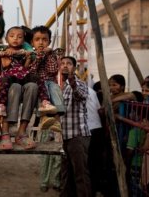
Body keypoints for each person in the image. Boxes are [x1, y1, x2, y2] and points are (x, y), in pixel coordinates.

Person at [0, 26, 38, 150]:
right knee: (15, 87)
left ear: (24, 40)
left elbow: (26, 68)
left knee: (33, 86)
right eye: (12, 36)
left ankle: (21, 133)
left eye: (19, 37)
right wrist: (5, 55)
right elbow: (5, 66)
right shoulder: (4, 50)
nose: (15, 39)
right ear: (6, 38)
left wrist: (28, 57)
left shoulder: (25, 51)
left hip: (23, 79)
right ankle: (5, 133)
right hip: (11, 82)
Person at [59, 56, 92, 197]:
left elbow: (80, 95)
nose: (65, 66)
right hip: (63, 136)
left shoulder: (79, 83)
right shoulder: (58, 86)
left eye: (69, 64)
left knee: (80, 173)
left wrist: (72, 83)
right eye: (62, 64)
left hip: (77, 135)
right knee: (65, 173)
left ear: (74, 67)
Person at [29, 26, 66, 131]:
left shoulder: (52, 55)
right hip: (38, 82)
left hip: (50, 82)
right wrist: (41, 55)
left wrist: (48, 55)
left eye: (44, 40)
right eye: (37, 40)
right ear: (32, 43)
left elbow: (52, 70)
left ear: (49, 42)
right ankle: (45, 117)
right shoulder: (30, 55)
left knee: (55, 88)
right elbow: (32, 70)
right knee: (43, 87)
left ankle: (57, 120)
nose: (41, 42)